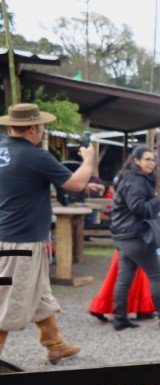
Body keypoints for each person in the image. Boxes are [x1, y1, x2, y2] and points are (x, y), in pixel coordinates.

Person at [0, 103, 94, 361]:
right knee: (8, 303)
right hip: (21, 242)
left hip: (8, 236)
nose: (43, 130)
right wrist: (89, 160)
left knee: (39, 294)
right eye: (41, 125)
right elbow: (75, 184)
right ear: (32, 128)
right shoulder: (34, 156)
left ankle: (55, 344)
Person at [110, 146, 160, 331]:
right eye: (147, 159)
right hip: (135, 236)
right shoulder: (137, 181)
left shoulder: (127, 179)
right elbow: (138, 208)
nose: (152, 163)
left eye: (153, 160)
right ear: (136, 160)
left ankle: (120, 319)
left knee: (124, 279)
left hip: (123, 236)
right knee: (156, 276)